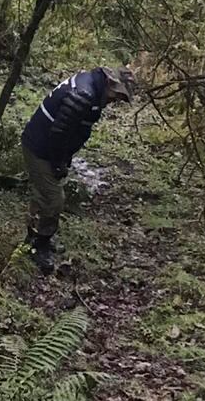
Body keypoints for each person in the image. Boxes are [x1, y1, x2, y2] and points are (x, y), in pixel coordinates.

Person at [20, 66, 136, 274]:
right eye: (118, 95)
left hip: (45, 146)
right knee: (53, 200)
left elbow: (72, 129)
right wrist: (58, 163)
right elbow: (59, 133)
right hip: (40, 148)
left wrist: (65, 158)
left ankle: (34, 237)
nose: (116, 100)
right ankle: (39, 245)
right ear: (110, 83)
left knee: (43, 195)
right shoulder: (83, 95)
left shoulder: (90, 86)